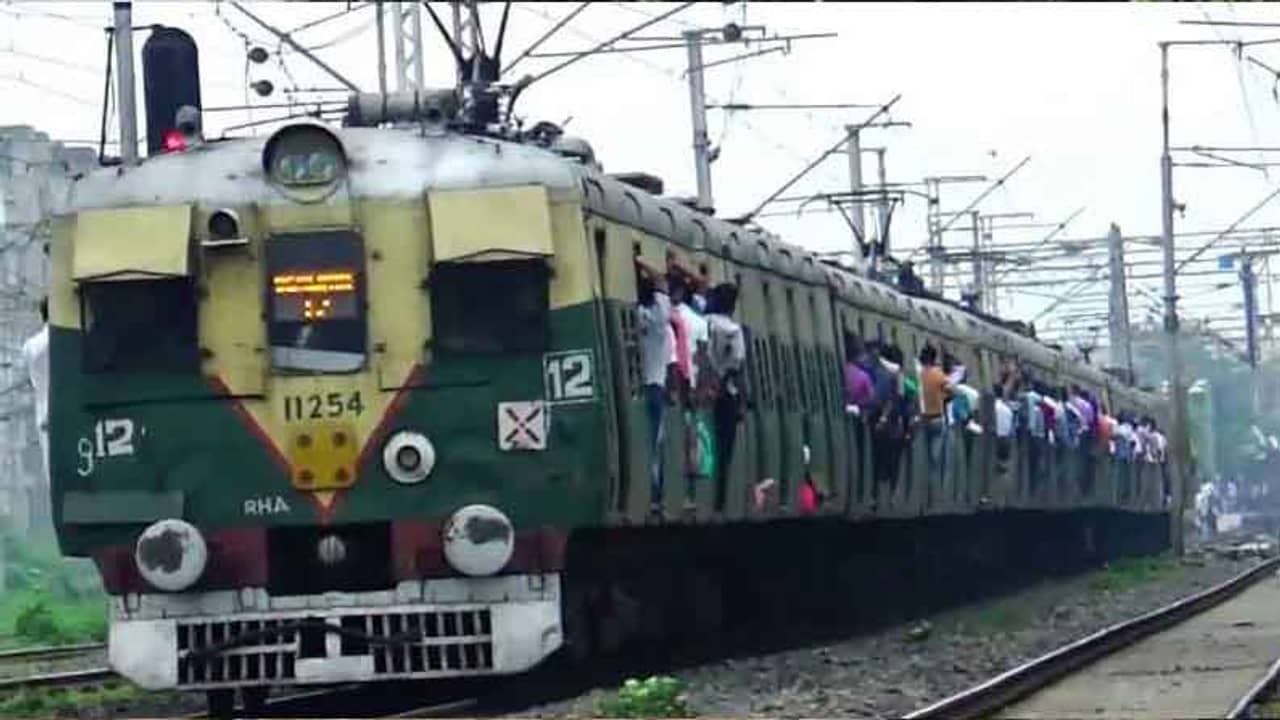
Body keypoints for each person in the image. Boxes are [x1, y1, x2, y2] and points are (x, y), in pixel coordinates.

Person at [635, 257, 673, 517]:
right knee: (655, 446)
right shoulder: (660, 318)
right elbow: (661, 281)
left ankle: (651, 494)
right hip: (655, 387)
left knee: (646, 444)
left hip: (639, 387)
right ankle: (655, 496)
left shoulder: (637, 316)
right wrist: (640, 260)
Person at [706, 282, 746, 513]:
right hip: (725, 394)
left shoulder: (703, 321)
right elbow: (736, 365)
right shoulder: (733, 330)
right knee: (724, 447)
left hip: (701, 387)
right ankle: (719, 497)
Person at [22, 298, 49, 481]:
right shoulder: (74, 341)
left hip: (46, 417)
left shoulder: (30, 347)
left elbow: (33, 382)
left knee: (53, 472)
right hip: (76, 410)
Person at [919, 345, 950, 478]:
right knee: (936, 457)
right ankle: (934, 481)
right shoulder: (939, 375)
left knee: (923, 453)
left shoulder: (918, 374)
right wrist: (943, 399)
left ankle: (925, 478)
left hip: (922, 418)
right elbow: (952, 390)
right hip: (937, 418)